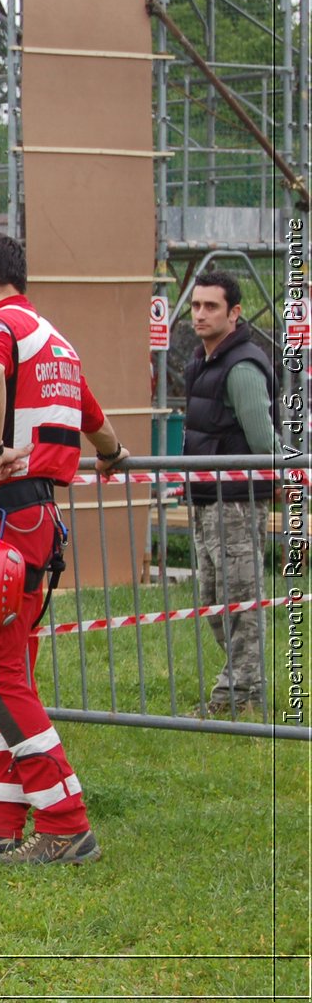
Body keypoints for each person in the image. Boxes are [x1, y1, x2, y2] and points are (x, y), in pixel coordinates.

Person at [0, 232, 127, 866]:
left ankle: (65, 821)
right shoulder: (54, 338)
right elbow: (90, 411)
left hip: (0, 517)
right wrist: (113, 456)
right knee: (3, 668)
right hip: (32, 518)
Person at [183, 270, 278, 718]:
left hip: (237, 501)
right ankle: (237, 685)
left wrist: (293, 475)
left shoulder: (241, 366)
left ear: (234, 313)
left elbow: (264, 441)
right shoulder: (202, 362)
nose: (200, 314)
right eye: (196, 305)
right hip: (208, 499)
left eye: (211, 306)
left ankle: (241, 693)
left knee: (240, 601)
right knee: (213, 601)